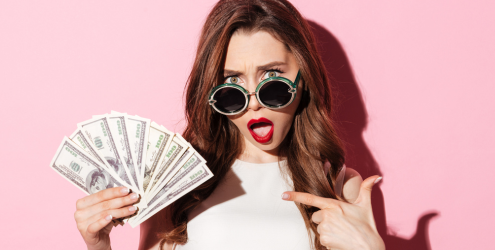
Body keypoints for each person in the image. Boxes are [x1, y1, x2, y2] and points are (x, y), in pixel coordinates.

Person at [73, 0, 385, 249]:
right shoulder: (174, 182)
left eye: (272, 80)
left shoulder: (342, 186)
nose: (253, 104)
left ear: (303, 81)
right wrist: (98, 246)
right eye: (232, 85)